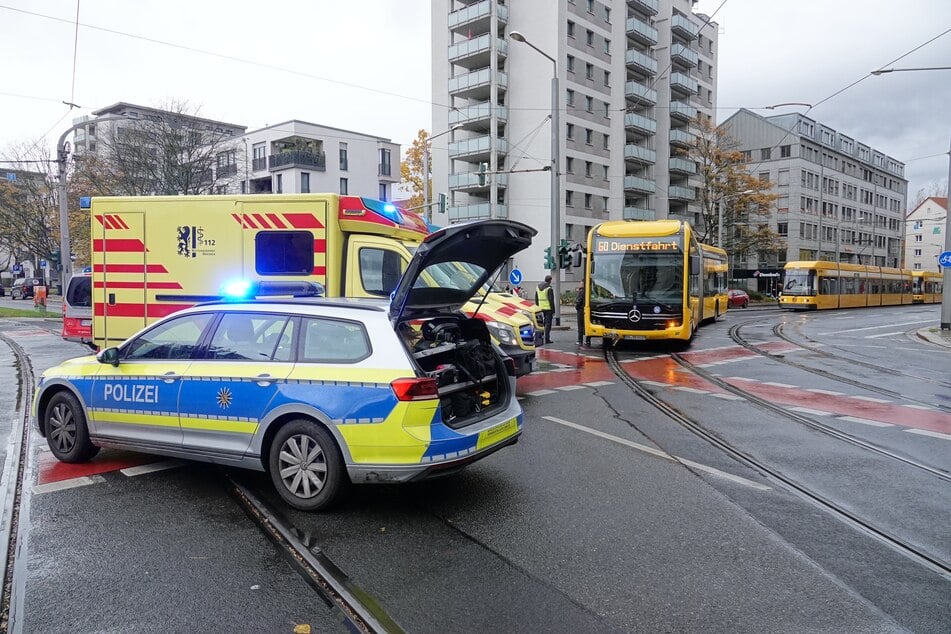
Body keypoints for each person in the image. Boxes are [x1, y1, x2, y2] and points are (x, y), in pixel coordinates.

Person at [535, 275, 554, 345]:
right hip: (548, 309)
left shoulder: (538, 287)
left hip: (540, 308)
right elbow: (551, 300)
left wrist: (537, 307)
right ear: (550, 280)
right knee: (548, 324)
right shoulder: (549, 288)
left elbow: (536, 299)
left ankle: (540, 339)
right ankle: (547, 339)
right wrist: (553, 310)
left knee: (541, 324)